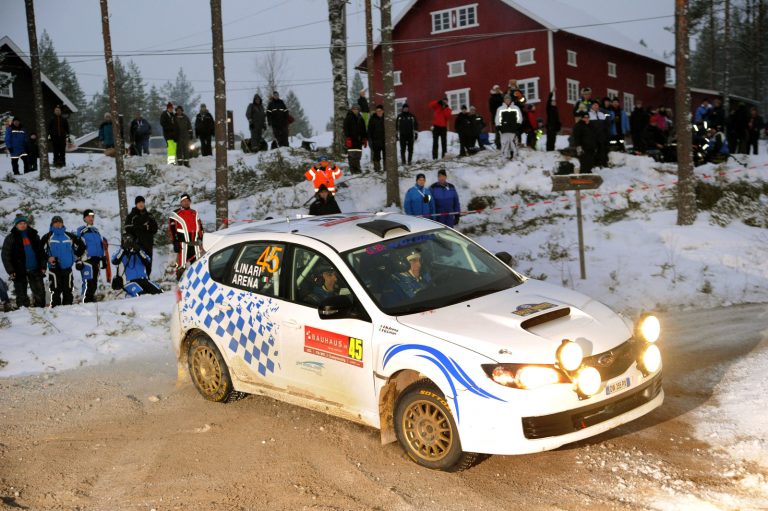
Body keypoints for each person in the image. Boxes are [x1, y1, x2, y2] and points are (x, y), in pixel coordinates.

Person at [2, 215, 46, 308]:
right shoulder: (10, 238)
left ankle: (40, 311)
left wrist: (43, 266)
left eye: (24, 223)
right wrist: (11, 270)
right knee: (21, 294)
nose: (22, 225)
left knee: (40, 292)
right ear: (16, 225)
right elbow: (5, 256)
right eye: (20, 223)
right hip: (18, 270)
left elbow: (41, 252)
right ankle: (24, 313)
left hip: (35, 268)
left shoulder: (34, 235)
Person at [41, 215, 84, 307]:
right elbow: (39, 251)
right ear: (52, 224)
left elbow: (82, 245)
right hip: (54, 269)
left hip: (67, 268)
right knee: (55, 290)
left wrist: (76, 256)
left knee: (68, 290)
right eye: (55, 222)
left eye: (60, 222)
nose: (58, 224)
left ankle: (68, 309)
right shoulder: (47, 237)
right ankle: (56, 311)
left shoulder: (69, 236)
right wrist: (48, 258)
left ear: (62, 223)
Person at [111, 233, 161, 297]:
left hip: (144, 280)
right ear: (123, 241)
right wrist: (123, 249)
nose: (128, 241)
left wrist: (138, 250)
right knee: (141, 295)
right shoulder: (119, 252)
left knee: (159, 292)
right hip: (128, 282)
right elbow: (114, 261)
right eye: (126, 239)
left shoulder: (139, 252)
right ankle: (128, 296)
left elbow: (148, 261)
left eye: (130, 239)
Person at [169, 193, 204, 280]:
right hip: (183, 244)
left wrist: (201, 238)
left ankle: (196, 281)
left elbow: (200, 226)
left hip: (195, 243)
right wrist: (175, 242)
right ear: (181, 202)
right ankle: (180, 283)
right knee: (181, 265)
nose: (186, 203)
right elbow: (172, 230)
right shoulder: (175, 214)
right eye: (184, 201)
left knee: (197, 265)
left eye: (188, 201)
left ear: (190, 202)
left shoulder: (195, 213)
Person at [76, 209, 106, 303]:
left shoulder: (96, 231)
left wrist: (103, 258)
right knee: (88, 282)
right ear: (84, 218)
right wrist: (78, 260)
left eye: (92, 216)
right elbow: (76, 246)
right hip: (86, 260)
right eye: (88, 216)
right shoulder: (81, 230)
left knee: (94, 282)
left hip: (96, 260)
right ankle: (84, 301)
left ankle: (90, 301)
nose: (91, 218)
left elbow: (100, 245)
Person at [125, 195, 159, 277]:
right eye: (139, 202)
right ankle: (140, 281)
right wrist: (142, 227)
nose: (141, 204)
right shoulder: (131, 216)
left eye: (142, 202)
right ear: (136, 204)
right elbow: (127, 228)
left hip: (148, 244)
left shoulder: (149, 215)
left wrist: (148, 227)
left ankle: (147, 280)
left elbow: (155, 228)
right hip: (136, 245)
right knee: (139, 264)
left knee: (148, 264)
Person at [495, 94, 522, 160]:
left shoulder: (516, 108)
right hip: (504, 130)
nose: (507, 100)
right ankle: (504, 157)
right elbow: (497, 118)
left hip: (513, 129)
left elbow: (520, 117)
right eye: (506, 99)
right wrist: (498, 126)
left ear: (510, 100)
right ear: (504, 100)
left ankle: (514, 156)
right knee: (504, 143)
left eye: (508, 99)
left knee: (513, 143)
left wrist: (518, 125)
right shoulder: (500, 109)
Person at [343, 103, 367, 174]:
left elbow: (364, 129)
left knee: (358, 155)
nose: (356, 110)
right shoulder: (348, 117)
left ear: (359, 110)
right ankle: (352, 170)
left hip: (359, 140)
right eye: (354, 109)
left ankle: (357, 169)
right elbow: (345, 128)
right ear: (352, 109)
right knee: (352, 156)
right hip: (351, 140)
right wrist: (348, 138)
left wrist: (364, 138)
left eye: (357, 109)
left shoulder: (361, 118)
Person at [588, 102, 609, 167]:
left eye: (597, 105)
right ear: (591, 106)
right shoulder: (588, 114)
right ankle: (594, 164)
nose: (596, 106)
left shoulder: (602, 114)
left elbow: (606, 126)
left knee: (602, 150)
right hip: (593, 136)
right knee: (593, 151)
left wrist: (606, 135)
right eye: (594, 105)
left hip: (601, 136)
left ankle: (601, 163)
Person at [367, 104, 386, 172]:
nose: (379, 112)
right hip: (376, 142)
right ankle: (377, 169)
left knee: (386, 156)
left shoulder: (386, 118)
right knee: (376, 157)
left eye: (380, 110)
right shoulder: (372, 119)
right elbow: (369, 131)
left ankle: (386, 169)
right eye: (377, 111)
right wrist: (370, 140)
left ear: (383, 111)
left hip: (385, 141)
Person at [488, 85, 504, 149]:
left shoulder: (502, 96)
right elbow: (491, 109)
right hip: (496, 116)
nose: (498, 90)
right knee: (498, 131)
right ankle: (498, 145)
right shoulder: (492, 98)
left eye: (498, 89)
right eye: (496, 89)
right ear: (494, 90)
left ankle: (503, 143)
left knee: (504, 131)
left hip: (503, 116)